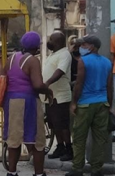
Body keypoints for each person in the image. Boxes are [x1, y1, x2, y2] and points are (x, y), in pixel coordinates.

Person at [3, 31, 52, 176]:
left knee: (14, 139)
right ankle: (38, 173)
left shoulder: (11, 58)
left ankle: (11, 172)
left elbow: (3, 78)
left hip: (11, 101)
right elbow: (37, 85)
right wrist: (47, 90)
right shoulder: (32, 60)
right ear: (36, 47)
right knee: (36, 139)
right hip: (28, 101)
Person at [66, 35, 113, 176]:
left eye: (84, 45)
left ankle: (77, 168)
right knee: (100, 139)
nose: (81, 47)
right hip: (102, 103)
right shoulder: (107, 62)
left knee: (79, 137)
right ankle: (96, 169)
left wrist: (74, 102)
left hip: (85, 104)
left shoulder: (83, 61)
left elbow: (79, 84)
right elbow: (109, 86)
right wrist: (109, 104)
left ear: (92, 46)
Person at [43, 31, 73, 161]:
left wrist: (48, 82)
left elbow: (60, 71)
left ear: (58, 42)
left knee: (63, 125)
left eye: (51, 40)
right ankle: (60, 146)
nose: (49, 42)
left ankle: (68, 149)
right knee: (54, 125)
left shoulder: (65, 54)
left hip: (60, 96)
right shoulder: (54, 54)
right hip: (50, 96)